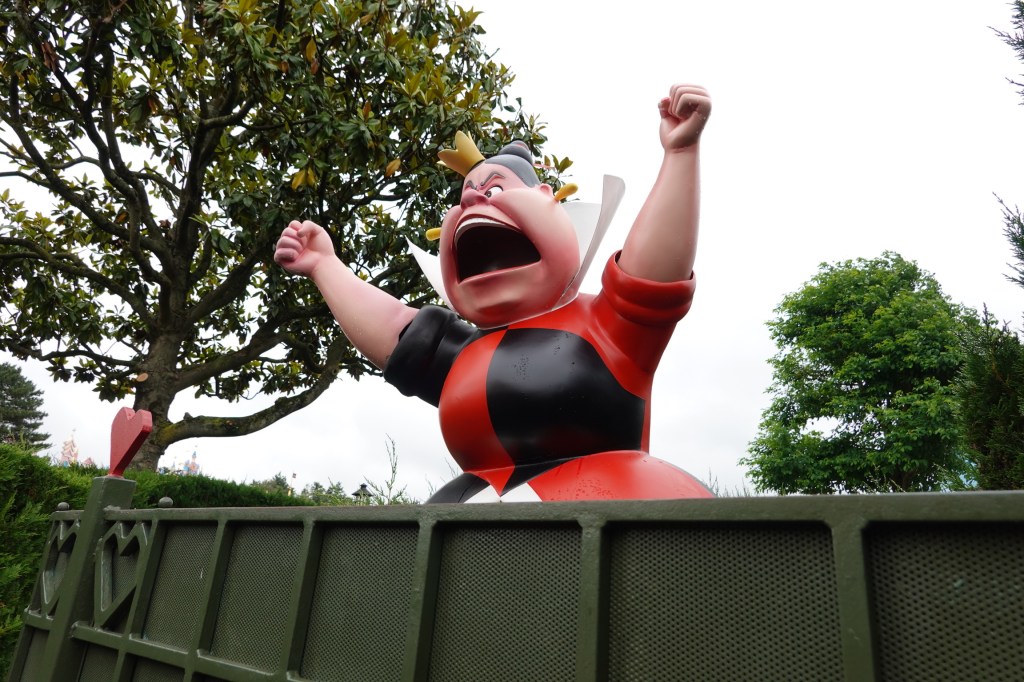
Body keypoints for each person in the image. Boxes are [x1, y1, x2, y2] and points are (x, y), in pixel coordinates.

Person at [275, 84, 713, 502]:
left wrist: (680, 153)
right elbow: (394, 332)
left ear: (549, 201)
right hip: (475, 525)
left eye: (496, 189)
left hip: (605, 516)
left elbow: (653, 274)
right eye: (467, 194)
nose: (472, 202)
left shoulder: (605, 324)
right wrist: (324, 266)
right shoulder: (465, 351)